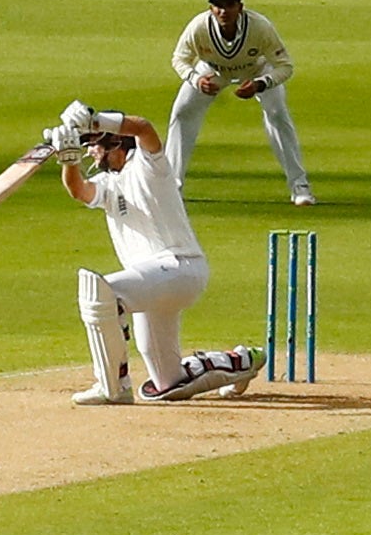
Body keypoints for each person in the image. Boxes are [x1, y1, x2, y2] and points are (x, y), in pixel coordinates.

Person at [52, 99, 234, 403]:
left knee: (100, 292)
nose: (91, 153)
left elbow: (144, 128)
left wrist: (96, 121)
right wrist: (68, 160)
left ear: (115, 143)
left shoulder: (150, 166)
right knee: (167, 381)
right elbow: (78, 191)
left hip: (180, 267)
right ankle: (239, 362)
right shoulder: (107, 184)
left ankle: (112, 388)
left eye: (94, 145)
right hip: (153, 283)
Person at [163, 0, 310, 205]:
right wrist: (195, 79)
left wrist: (261, 83)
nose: (224, 11)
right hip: (212, 71)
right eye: (218, 6)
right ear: (211, 8)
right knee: (182, 113)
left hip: (256, 70)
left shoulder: (260, 27)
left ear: (240, 7)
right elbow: (179, 59)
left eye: (230, 5)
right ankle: (172, 188)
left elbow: (285, 66)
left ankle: (300, 186)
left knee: (277, 115)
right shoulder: (199, 26)